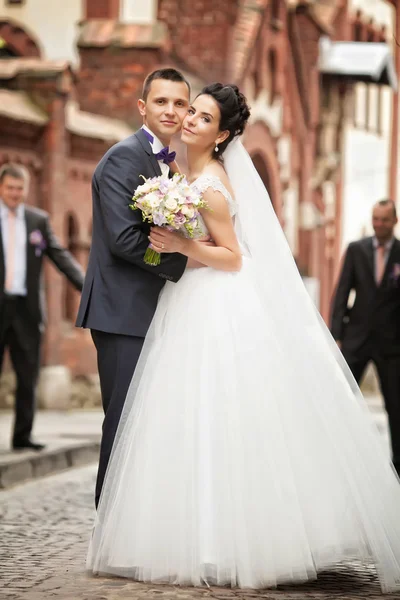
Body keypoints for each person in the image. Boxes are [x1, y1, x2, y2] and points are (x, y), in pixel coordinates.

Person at [87, 84, 400, 592]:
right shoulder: (178, 172)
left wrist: (184, 245)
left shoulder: (209, 181)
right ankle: (184, 532)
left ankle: (228, 539)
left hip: (214, 301)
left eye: (203, 117)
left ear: (224, 133)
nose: (188, 120)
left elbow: (234, 256)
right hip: (186, 300)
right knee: (182, 418)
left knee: (220, 416)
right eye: (190, 111)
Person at [76, 68, 199, 508]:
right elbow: (126, 242)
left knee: (148, 424)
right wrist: (186, 262)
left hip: (152, 313)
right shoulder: (124, 158)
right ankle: (108, 523)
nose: (171, 110)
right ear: (143, 107)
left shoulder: (168, 163)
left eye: (180, 103)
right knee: (124, 422)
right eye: (162, 102)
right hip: (122, 314)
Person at [0, 163, 84, 451]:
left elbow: (60, 255)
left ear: (26, 190)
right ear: (1, 188)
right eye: (10, 188)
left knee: (28, 375)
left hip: (27, 310)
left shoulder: (37, 221)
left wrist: (86, 286)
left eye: (19, 188)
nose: (15, 193)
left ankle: (23, 437)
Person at [330, 200, 400, 477]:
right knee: (343, 400)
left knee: (395, 406)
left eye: (384, 219)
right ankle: (337, 456)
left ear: (394, 221)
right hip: (356, 340)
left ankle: (397, 466)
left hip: (392, 346)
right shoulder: (356, 250)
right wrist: (336, 335)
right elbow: (341, 293)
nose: (378, 224)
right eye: (375, 219)